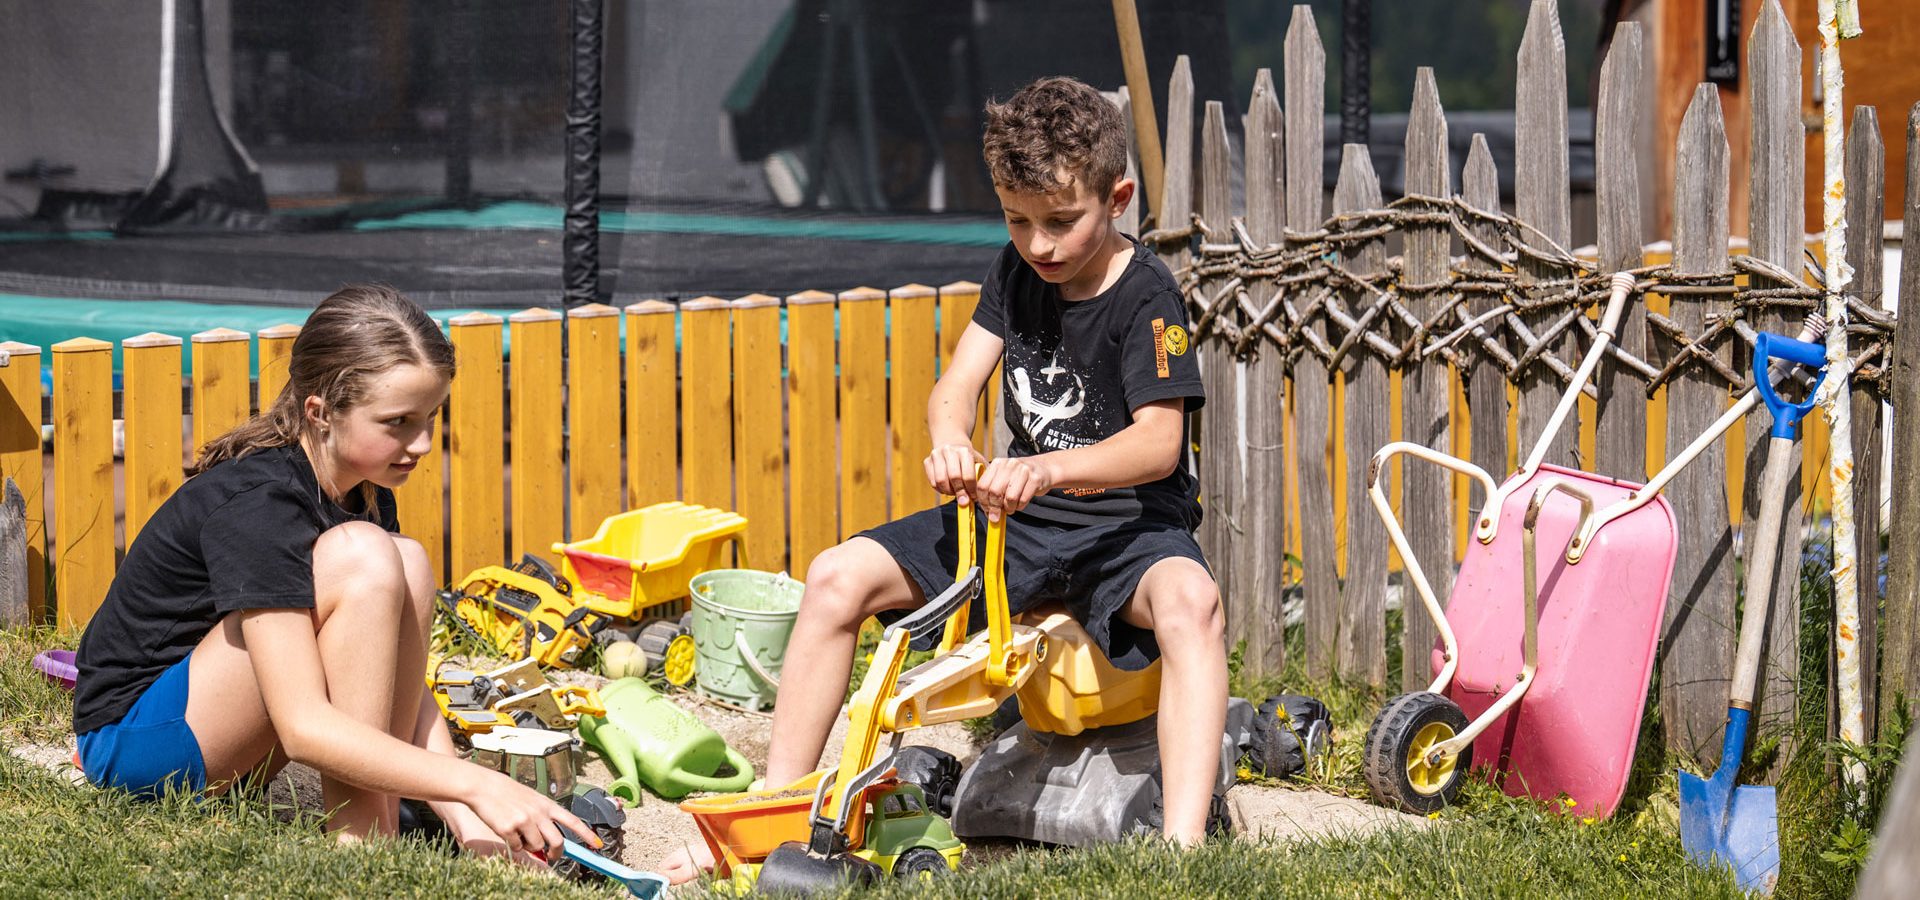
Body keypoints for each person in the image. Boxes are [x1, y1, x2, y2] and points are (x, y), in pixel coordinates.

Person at [659, 75, 1226, 883]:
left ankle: (1184, 850)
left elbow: (1159, 445)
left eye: (1061, 222)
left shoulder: (1148, 298)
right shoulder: (1014, 271)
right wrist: (950, 439)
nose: (1040, 245)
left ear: (1120, 198)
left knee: (1193, 604)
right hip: (1017, 518)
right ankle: (773, 807)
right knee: (833, 578)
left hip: (1127, 528)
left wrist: (1049, 466)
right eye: (1017, 220)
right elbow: (955, 386)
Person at [72, 284, 597, 864]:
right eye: (397, 421)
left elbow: (393, 676)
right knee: (370, 554)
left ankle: (380, 819)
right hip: (139, 743)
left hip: (223, 733)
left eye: (430, 418)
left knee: (407, 560)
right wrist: (480, 784)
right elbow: (302, 728)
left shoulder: (362, 489)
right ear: (320, 412)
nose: (421, 443)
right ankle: (365, 844)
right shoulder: (260, 505)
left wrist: (471, 824)